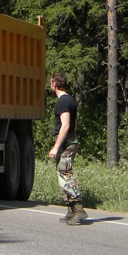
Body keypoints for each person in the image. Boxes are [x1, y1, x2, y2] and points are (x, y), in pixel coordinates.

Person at [49, 72, 87, 225]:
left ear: (54, 84)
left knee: (66, 175)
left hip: (66, 143)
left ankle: (79, 210)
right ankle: (70, 211)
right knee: (62, 176)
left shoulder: (63, 102)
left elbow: (65, 125)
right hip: (68, 142)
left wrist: (56, 146)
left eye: (50, 83)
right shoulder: (69, 100)